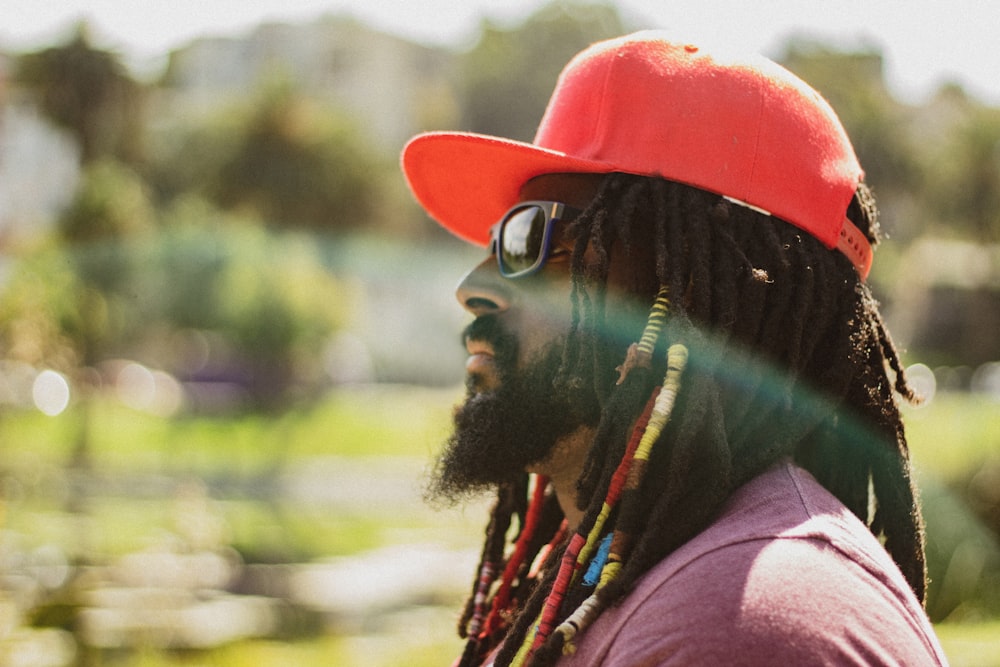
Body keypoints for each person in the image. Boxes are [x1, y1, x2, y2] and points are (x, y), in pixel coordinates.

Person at [401, 31, 948, 666]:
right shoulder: (621, 567)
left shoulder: (739, 625)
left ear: (687, 283)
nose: (475, 288)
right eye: (494, 241)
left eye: (527, 239)